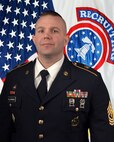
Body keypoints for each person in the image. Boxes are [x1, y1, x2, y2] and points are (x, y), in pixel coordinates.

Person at [0, 11, 114, 142]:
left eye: (54, 31)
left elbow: (104, 135)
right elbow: (3, 130)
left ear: (66, 39)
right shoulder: (14, 77)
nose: (47, 36)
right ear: (34, 39)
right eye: (41, 31)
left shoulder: (90, 80)